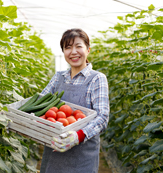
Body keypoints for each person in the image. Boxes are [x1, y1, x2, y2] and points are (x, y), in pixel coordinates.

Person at [38, 28, 110, 172]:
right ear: (64, 52)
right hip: (54, 152)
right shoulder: (58, 77)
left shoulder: (97, 78)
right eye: (68, 47)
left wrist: (78, 136)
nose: (73, 52)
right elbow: (41, 102)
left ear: (88, 50)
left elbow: (103, 117)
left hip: (82, 157)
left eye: (78, 46)